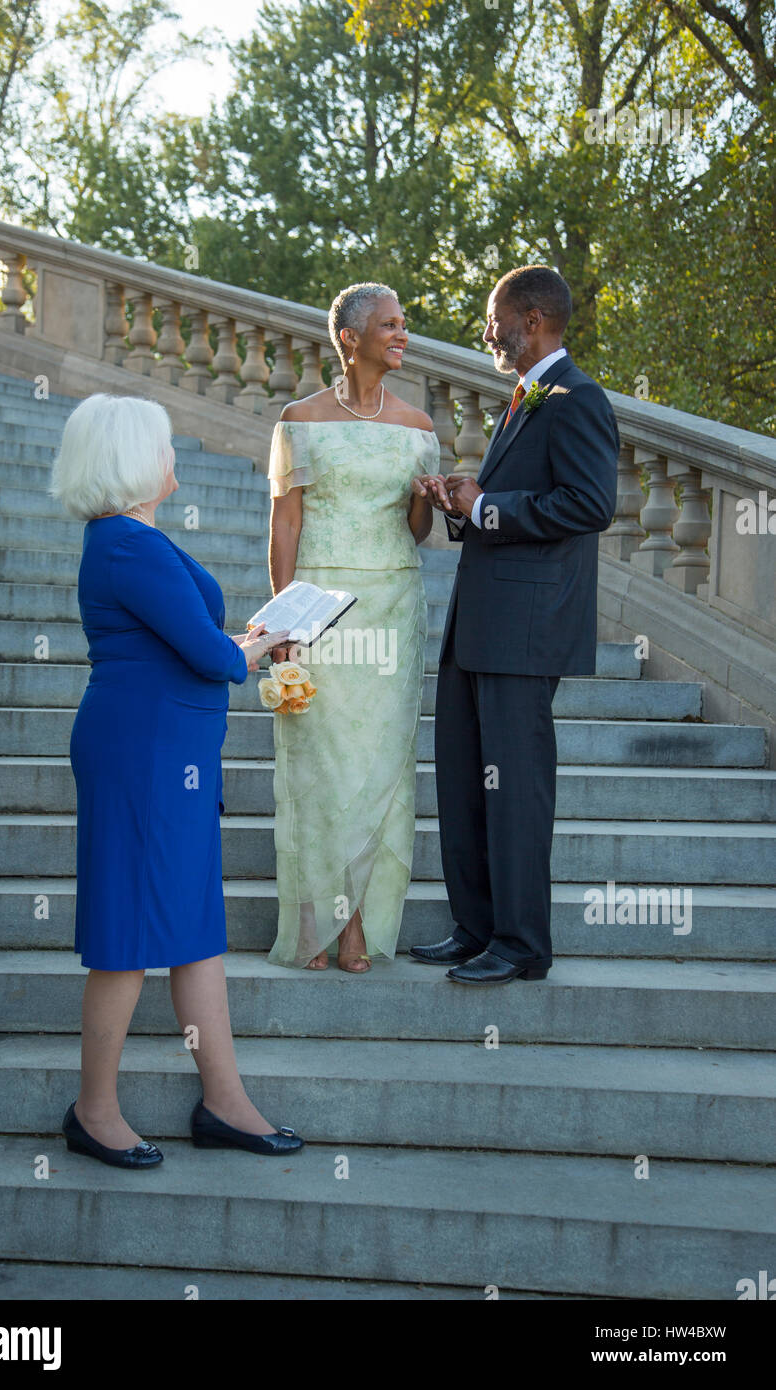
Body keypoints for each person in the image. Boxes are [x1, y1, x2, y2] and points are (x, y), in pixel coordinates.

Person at [49, 392, 302, 1166]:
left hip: (172, 754)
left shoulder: (134, 540)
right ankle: (94, 1112)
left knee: (194, 931)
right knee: (126, 936)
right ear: (132, 460)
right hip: (142, 754)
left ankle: (223, 1102)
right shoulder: (128, 543)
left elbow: (194, 640)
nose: (171, 458)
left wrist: (250, 639)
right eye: (160, 446)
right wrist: (272, 639)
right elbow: (213, 657)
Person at [411, 264, 619, 984]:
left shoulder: (577, 398)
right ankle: (475, 927)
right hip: (481, 622)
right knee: (466, 781)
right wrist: (467, 501)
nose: (487, 331)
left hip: (526, 632)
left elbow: (590, 505)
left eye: (494, 317)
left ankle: (521, 943)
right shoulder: (523, 399)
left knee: (515, 789)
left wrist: (488, 508)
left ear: (532, 320)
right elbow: (521, 504)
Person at [266, 282, 438, 971]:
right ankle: (314, 923)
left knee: (377, 767)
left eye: (404, 324)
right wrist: (285, 619)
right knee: (321, 766)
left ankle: (360, 923)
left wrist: (427, 502)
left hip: (394, 611)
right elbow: (286, 521)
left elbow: (418, 532)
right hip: (321, 613)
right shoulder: (298, 418)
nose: (403, 334)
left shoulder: (418, 427)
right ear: (350, 338)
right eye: (391, 325)